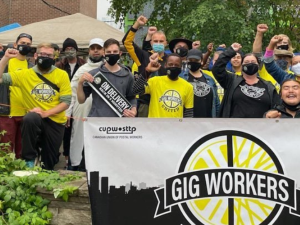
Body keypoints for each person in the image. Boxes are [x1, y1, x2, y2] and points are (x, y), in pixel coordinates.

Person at [0, 43, 71, 170]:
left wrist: (46, 113)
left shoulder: (61, 75)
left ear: (54, 57)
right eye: (42, 54)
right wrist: (5, 58)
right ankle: (29, 159)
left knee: (50, 160)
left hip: (55, 120)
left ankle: (47, 169)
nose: (45, 57)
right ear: (35, 55)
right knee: (29, 118)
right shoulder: (24, 74)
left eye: (49, 55)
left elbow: (66, 102)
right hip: (35, 119)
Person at [212, 43, 280, 118]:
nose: (250, 64)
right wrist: (230, 51)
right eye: (246, 62)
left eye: (253, 62)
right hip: (235, 127)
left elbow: (277, 108)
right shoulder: (231, 80)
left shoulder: (268, 86)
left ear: (258, 65)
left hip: (260, 128)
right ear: (241, 65)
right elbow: (217, 69)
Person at [66, 38, 104, 171]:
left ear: (103, 50)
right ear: (89, 51)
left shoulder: (108, 69)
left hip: (101, 111)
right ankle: (76, 165)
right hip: (81, 109)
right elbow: (71, 92)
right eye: (93, 48)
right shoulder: (82, 70)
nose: (95, 51)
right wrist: (67, 112)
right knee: (78, 138)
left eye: (98, 48)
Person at [77, 38, 137, 118]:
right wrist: (80, 83)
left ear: (120, 53)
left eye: (115, 52)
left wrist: (133, 110)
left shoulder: (128, 75)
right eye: (109, 52)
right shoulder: (94, 74)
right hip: (97, 122)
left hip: (119, 123)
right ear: (103, 53)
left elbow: (132, 98)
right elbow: (81, 100)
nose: (112, 54)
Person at [122, 15, 168, 117]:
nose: (158, 43)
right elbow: (127, 42)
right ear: (151, 42)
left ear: (166, 43)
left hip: (166, 103)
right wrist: (137, 24)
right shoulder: (143, 56)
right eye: (155, 41)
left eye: (161, 41)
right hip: (145, 104)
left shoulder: (171, 60)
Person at [0, 33, 34, 159]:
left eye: (28, 44)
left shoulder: (32, 67)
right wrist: (5, 58)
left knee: (23, 151)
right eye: (22, 43)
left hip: (26, 114)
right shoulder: (6, 63)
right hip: (6, 113)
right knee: (5, 150)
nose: (25, 46)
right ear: (15, 44)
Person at [132, 53, 194, 118]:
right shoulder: (154, 81)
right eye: (170, 64)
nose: (173, 67)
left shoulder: (188, 86)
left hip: (175, 126)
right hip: (155, 126)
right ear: (165, 65)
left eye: (176, 65)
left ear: (181, 67)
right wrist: (147, 70)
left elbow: (189, 112)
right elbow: (135, 90)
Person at [56, 37, 86, 168]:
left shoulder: (84, 65)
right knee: (66, 131)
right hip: (63, 102)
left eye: (72, 49)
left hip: (79, 101)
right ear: (63, 51)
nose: (70, 51)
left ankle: (80, 159)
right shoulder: (59, 65)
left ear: (76, 50)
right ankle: (68, 160)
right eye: (67, 49)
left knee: (79, 130)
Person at [186, 49, 219, 117]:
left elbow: (216, 103)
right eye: (191, 60)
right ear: (187, 61)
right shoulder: (181, 78)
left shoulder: (210, 79)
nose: (193, 62)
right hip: (188, 121)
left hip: (208, 120)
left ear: (201, 61)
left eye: (196, 61)